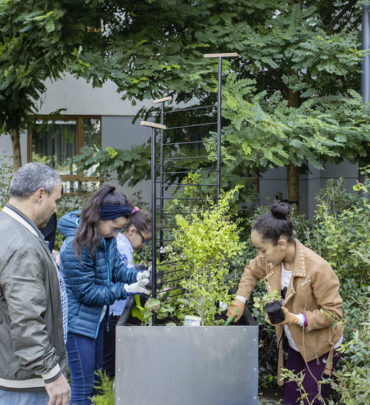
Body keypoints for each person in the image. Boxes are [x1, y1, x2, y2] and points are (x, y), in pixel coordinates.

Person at [227, 201, 343, 405]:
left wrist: (295, 318)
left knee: (310, 401)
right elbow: (251, 271)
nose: (260, 256)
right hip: (296, 344)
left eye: (262, 250)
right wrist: (240, 299)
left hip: (320, 348)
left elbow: (333, 312)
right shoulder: (271, 259)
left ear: (281, 243)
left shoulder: (317, 268)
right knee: (290, 400)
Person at [58, 185, 150, 405]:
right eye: (114, 227)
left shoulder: (106, 239)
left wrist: (137, 276)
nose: (116, 233)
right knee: (82, 387)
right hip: (78, 326)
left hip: (97, 321)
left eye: (120, 229)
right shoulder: (74, 246)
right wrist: (124, 290)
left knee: (97, 384)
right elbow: (87, 293)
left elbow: (117, 270)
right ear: (99, 218)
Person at [0, 162, 70, 405]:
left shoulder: (8, 229)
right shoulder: (22, 244)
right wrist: (52, 374)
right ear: (40, 195)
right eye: (56, 199)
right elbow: (27, 318)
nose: (55, 208)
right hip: (26, 384)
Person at [103, 207, 152, 378]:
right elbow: (120, 276)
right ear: (132, 231)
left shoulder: (124, 246)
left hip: (114, 307)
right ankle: (103, 393)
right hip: (113, 309)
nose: (143, 246)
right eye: (144, 241)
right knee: (107, 358)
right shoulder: (122, 247)